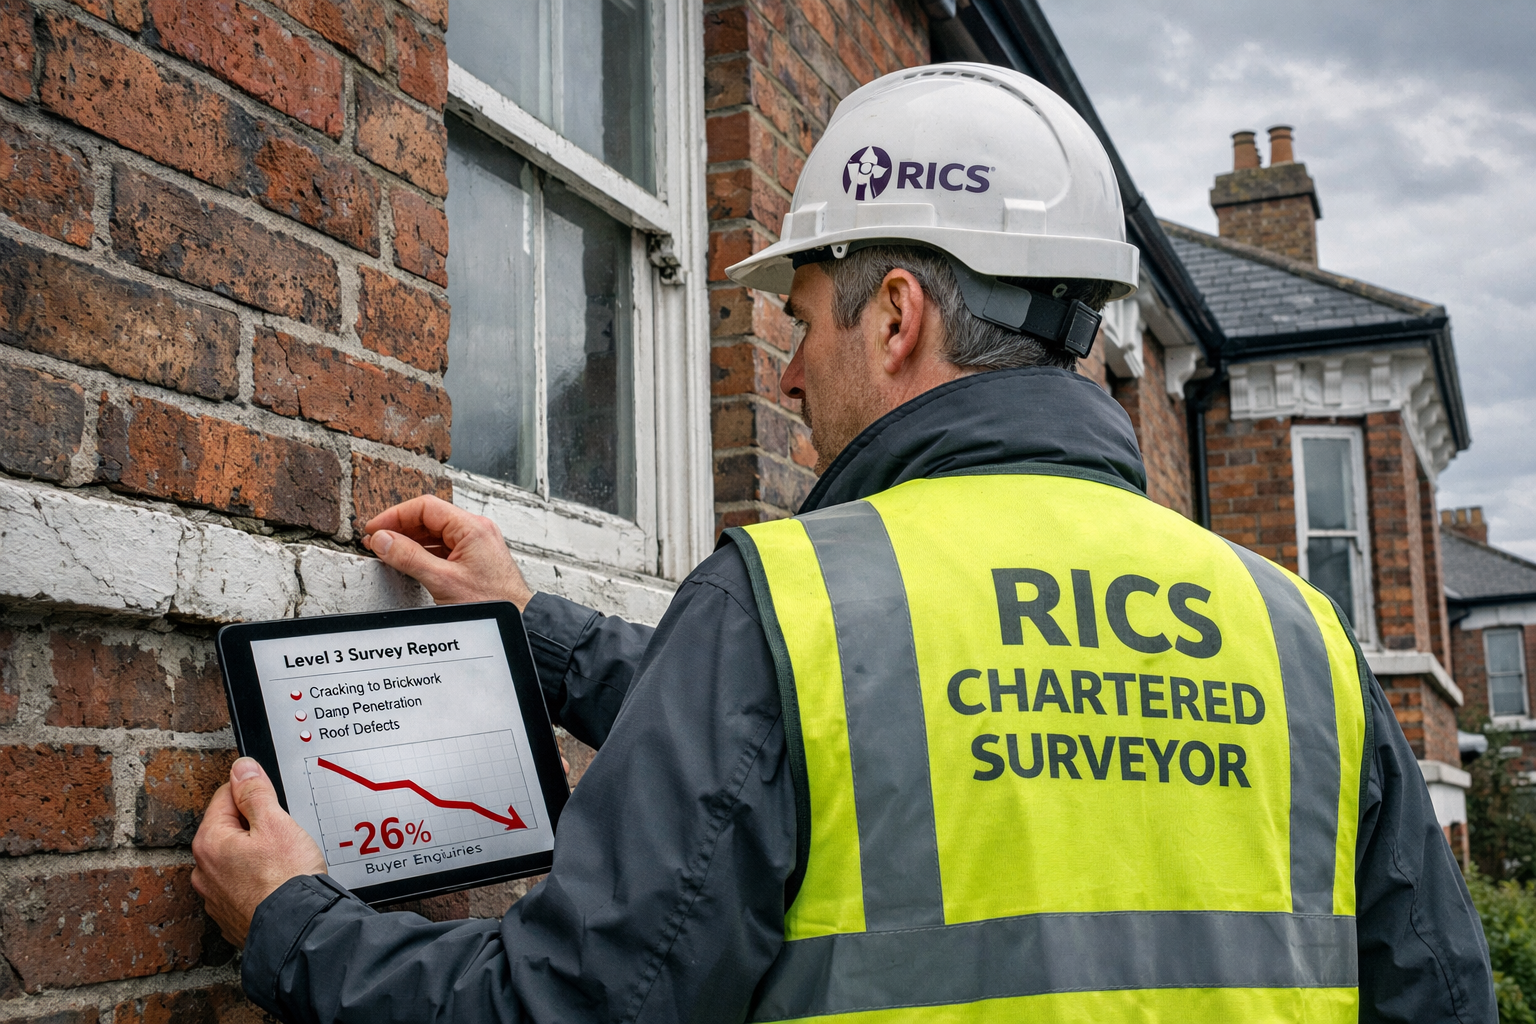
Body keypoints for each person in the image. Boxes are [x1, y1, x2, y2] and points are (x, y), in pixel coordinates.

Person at [192, 63, 1495, 1022]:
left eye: (805, 316)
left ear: (897, 318)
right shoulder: (1301, 641)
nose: (791, 371)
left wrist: (294, 925)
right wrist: (528, 625)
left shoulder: (795, 601)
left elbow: (567, 1006)